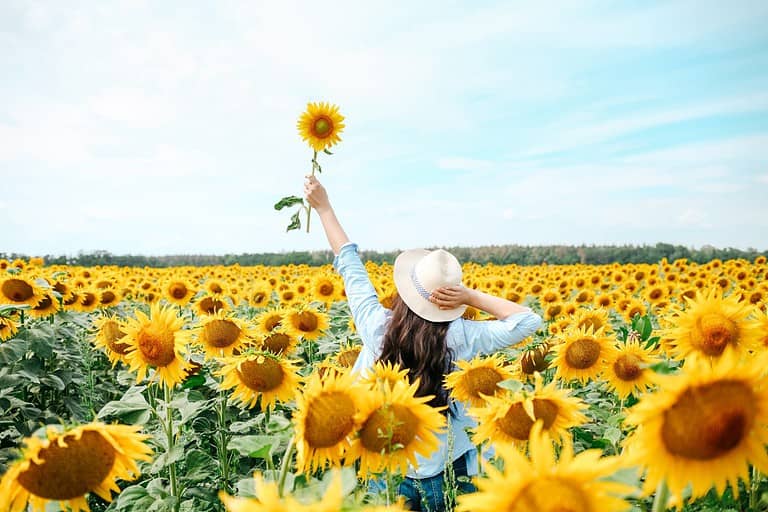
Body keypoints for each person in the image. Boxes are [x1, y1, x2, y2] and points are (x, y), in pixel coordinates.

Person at [304, 175, 543, 511]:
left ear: (405, 292)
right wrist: (471, 296)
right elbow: (528, 321)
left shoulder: (377, 327)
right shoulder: (463, 337)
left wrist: (324, 208)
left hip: (385, 462)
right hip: (444, 467)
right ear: (452, 298)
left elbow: (350, 264)